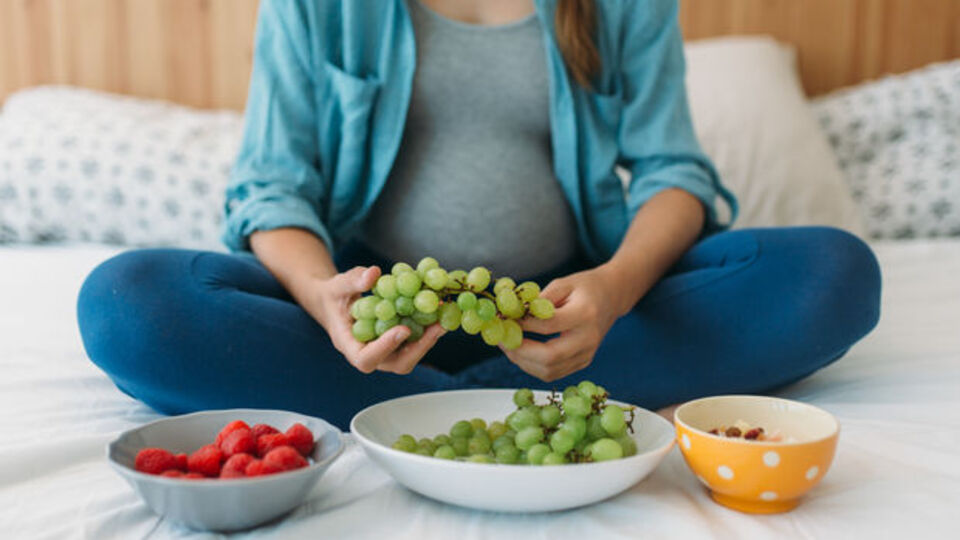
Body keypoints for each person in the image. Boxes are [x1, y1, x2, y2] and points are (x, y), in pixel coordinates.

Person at [77, 0, 881, 429]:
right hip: (371, 317)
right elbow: (271, 188)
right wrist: (325, 300)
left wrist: (615, 289)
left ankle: (447, 405)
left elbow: (673, 173)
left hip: (571, 317)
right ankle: (465, 401)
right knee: (129, 304)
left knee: (832, 275)